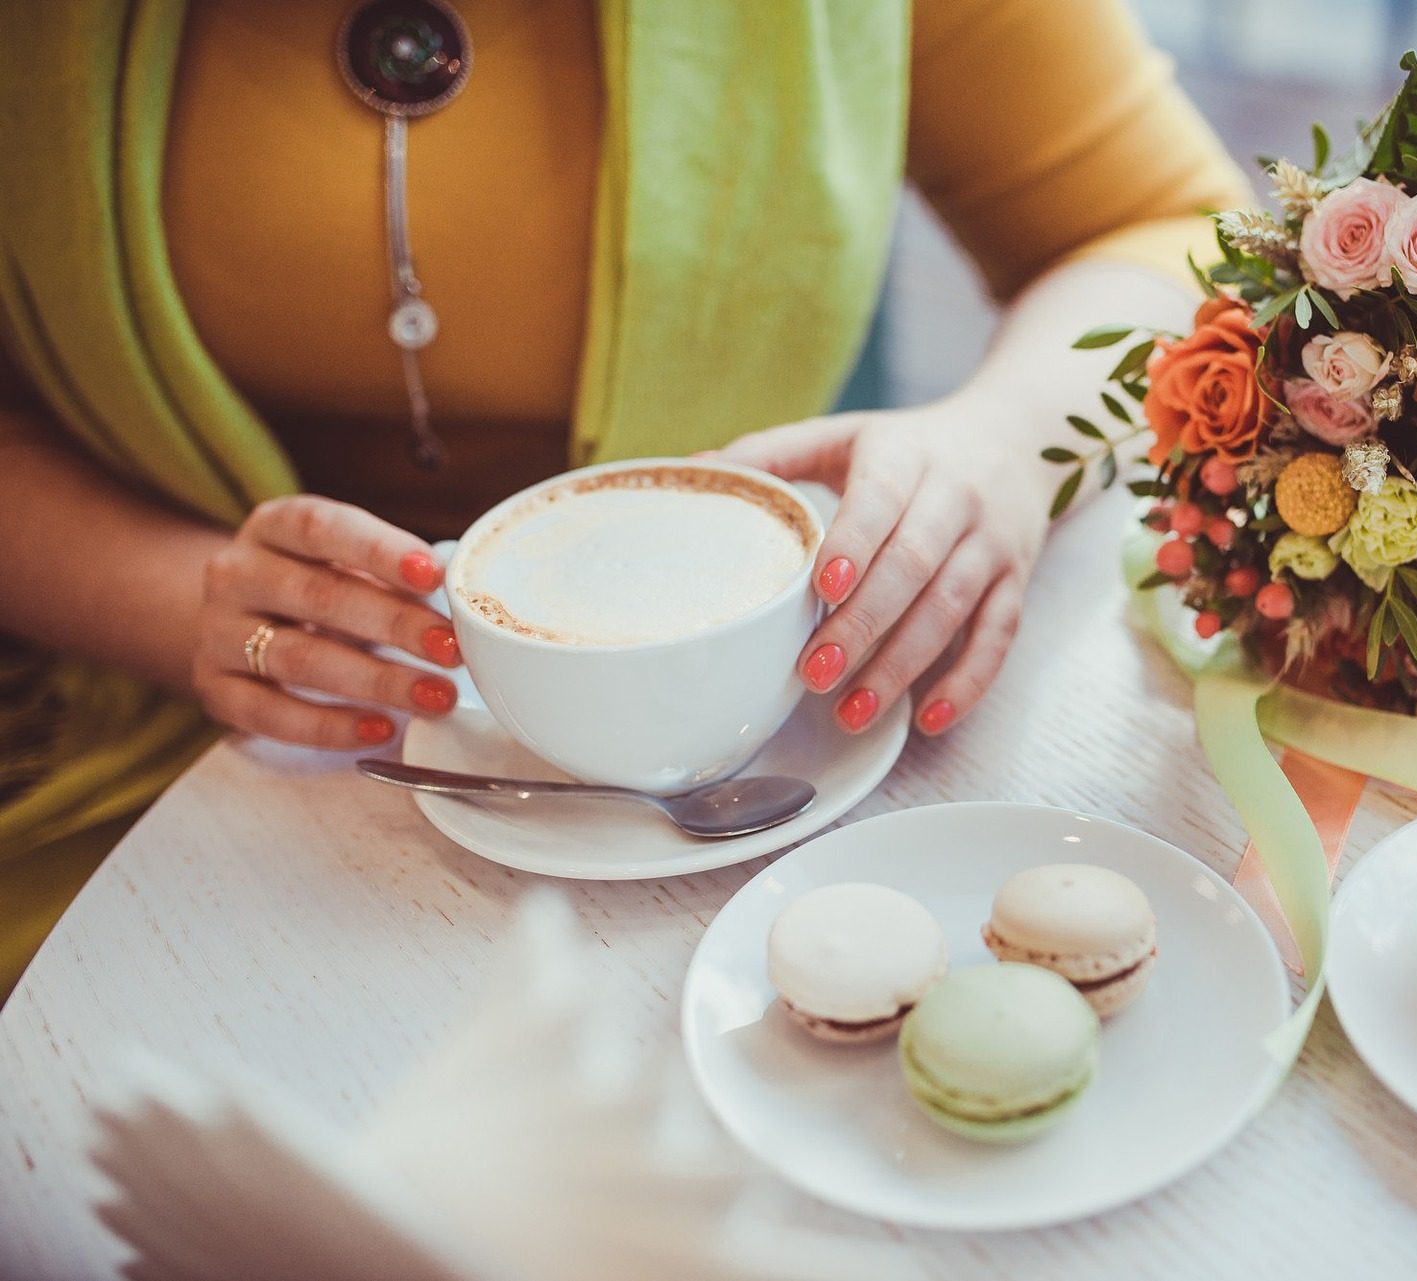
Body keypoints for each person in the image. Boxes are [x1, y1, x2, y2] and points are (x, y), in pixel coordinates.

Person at [0, 0, 1249, 992]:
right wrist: (177, 599)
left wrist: (1005, 440)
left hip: (773, 739)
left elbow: (1172, 225)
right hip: (186, 757)